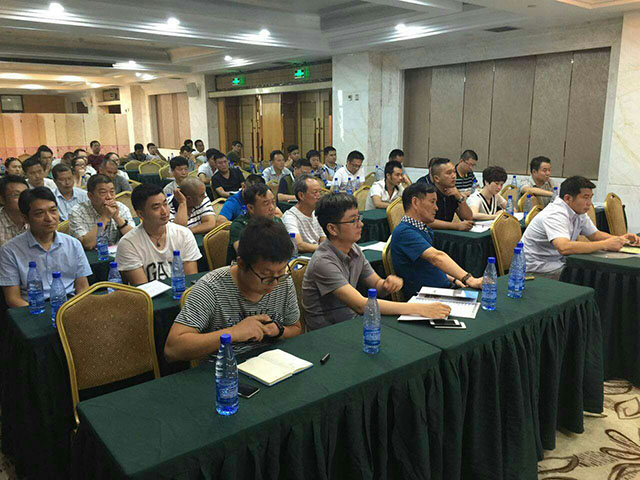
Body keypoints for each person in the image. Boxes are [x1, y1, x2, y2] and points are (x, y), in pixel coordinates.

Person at [301, 193, 451, 331]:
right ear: (332, 229)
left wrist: (386, 285)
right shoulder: (323, 262)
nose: (360, 224)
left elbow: (377, 285)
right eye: (353, 220)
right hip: (328, 331)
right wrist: (419, 308)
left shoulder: (354, 249)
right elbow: (360, 305)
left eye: (359, 218)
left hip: (352, 322)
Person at [164, 217, 302, 362]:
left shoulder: (283, 281)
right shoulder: (211, 288)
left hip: (272, 363)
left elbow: (296, 328)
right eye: (266, 276)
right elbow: (173, 349)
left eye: (281, 272)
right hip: (225, 369)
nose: (274, 283)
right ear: (241, 263)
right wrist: (233, 333)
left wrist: (279, 331)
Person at [521, 176, 640, 280]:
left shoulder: (578, 211)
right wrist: (605, 244)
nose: (589, 203)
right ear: (568, 198)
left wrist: (620, 239)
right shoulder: (555, 214)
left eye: (591, 197)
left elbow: (595, 235)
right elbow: (564, 247)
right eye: (585, 197)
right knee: (595, 276)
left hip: (557, 263)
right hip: (538, 270)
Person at [0, 187, 91, 307]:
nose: (49, 218)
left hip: (70, 304)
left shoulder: (73, 244)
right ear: (25, 218)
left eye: (53, 210)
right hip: (32, 308)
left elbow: (83, 287)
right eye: (39, 213)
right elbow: (13, 299)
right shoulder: (10, 250)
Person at [390, 183, 483, 299]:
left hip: (442, 288)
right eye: (432, 202)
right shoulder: (405, 233)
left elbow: (427, 266)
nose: (436, 208)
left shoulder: (423, 229)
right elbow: (436, 257)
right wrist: (469, 279)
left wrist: (454, 279)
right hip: (426, 297)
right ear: (415, 202)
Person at [116, 184, 201, 285]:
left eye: (165, 204)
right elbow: (143, 288)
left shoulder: (184, 234)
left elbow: (190, 281)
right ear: (141, 214)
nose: (164, 211)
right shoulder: (128, 243)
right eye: (156, 207)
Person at [68, 174, 135, 249]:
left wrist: (117, 217)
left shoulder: (121, 208)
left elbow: (134, 238)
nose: (109, 197)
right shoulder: (77, 212)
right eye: (103, 193)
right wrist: (105, 217)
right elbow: (87, 245)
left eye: (112, 192)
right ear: (90, 196)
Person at [227, 183, 283, 264]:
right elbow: (246, 256)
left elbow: (287, 248)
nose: (272, 208)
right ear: (251, 208)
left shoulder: (276, 221)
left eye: (273, 202)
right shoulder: (239, 226)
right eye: (266, 204)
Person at [416, 157, 474, 230]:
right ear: (436, 178)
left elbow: (468, 218)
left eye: (454, 172)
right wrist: (456, 226)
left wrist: (459, 197)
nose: (454, 176)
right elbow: (426, 221)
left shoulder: (452, 191)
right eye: (449, 173)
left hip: (446, 234)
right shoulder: (427, 191)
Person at [282, 174, 326, 253]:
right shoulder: (290, 217)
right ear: (301, 195)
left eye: (320, 192)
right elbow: (298, 245)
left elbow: (323, 238)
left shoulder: (315, 213)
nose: (319, 196)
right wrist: (324, 248)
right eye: (315, 192)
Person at [0, 175, 29, 246]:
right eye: (16, 195)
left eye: (25, 194)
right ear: (2, 199)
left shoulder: (36, 217)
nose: (23, 198)